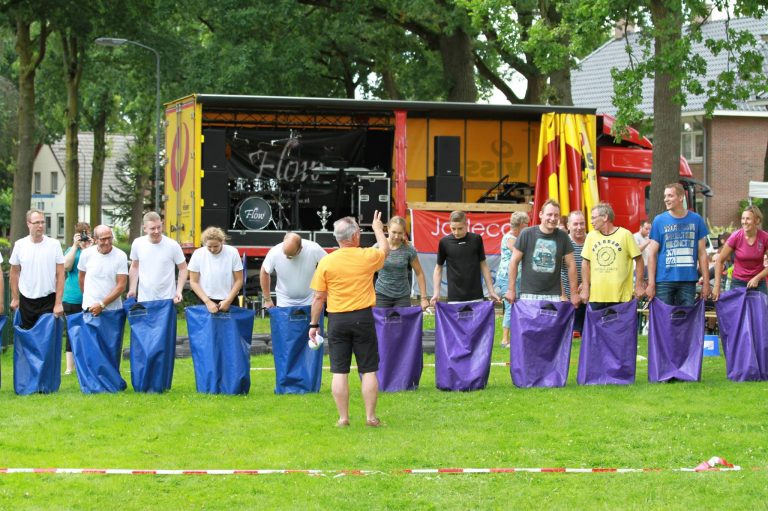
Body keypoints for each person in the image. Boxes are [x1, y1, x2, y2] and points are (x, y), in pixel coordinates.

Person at [309, 212, 389, 428]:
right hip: (362, 317)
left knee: (339, 370)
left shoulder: (326, 262)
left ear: (337, 238)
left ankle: (343, 418)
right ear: (355, 237)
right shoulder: (366, 256)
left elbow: (318, 298)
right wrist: (378, 229)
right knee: (368, 369)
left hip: (336, 320)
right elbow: (385, 249)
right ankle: (371, 417)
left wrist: (313, 325)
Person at [505, 199, 580, 307]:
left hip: (554, 295)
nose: (553, 218)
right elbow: (514, 262)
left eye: (556, 215)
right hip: (529, 294)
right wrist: (511, 289)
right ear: (541, 214)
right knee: (529, 324)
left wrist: (574, 293)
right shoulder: (526, 233)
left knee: (553, 325)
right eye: (549, 214)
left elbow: (571, 264)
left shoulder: (563, 236)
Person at [646, 183, 709, 306]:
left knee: (685, 321)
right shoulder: (659, 220)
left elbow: (702, 254)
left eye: (670, 196)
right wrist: (651, 283)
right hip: (663, 281)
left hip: (688, 280)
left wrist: (706, 283)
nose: (666, 199)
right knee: (664, 320)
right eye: (665, 196)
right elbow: (651, 254)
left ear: (681, 197)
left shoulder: (696, 220)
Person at [580, 202, 644, 308]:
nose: (591, 222)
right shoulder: (591, 236)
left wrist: (638, 285)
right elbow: (585, 263)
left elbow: (639, 260)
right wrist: (585, 288)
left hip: (621, 298)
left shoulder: (625, 234)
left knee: (622, 325)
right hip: (596, 297)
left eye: (593, 218)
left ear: (605, 217)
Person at [9, 209, 65, 329]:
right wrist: (15, 298)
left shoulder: (54, 244)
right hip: (26, 300)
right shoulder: (20, 245)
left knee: (46, 340)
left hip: (49, 299)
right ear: (28, 223)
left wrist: (58, 303)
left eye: (42, 222)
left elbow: (60, 274)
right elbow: (14, 273)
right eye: (36, 222)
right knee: (28, 339)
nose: (40, 226)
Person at [430, 210, 500, 305]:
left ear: (466, 225)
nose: (456, 232)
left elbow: (484, 265)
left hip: (476, 295)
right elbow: (438, 268)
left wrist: (491, 291)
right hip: (454, 297)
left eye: (460, 228)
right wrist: (436, 293)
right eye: (453, 228)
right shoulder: (444, 242)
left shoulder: (476, 239)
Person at [128, 211, 187, 303]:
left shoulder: (172, 245)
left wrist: (178, 291)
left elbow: (183, 268)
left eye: (159, 227)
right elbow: (134, 267)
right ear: (145, 229)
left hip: (167, 299)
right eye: (152, 228)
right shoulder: (137, 243)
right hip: (144, 299)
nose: (157, 231)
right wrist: (132, 289)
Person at [713, 206, 768, 300]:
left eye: (748, 219)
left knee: (761, 313)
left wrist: (757, 277)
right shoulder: (735, 236)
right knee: (738, 314)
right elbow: (719, 261)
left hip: (759, 283)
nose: (744, 222)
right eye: (743, 218)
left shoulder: (765, 237)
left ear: (757, 220)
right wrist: (716, 286)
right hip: (738, 282)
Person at [374, 216, 429, 309]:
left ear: (404, 232)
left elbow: (419, 273)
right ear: (388, 229)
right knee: (382, 323)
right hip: (381, 295)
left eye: (400, 233)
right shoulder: (377, 247)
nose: (396, 236)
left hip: (402, 296)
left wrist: (423, 298)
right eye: (394, 232)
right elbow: (368, 272)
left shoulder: (409, 249)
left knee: (403, 323)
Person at [260, 232, 326, 308]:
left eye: (291, 255)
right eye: (285, 254)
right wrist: (267, 299)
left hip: (311, 300)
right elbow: (264, 272)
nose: (288, 257)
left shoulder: (314, 248)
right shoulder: (275, 251)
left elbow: (329, 267)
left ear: (301, 248)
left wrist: (324, 292)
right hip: (284, 301)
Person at [494, 211, 529, 347]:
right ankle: (504, 340)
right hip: (506, 278)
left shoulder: (516, 237)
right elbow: (520, 253)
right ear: (520, 225)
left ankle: (514, 337)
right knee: (510, 307)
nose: (527, 226)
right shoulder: (511, 239)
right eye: (526, 224)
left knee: (514, 307)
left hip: (515, 278)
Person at [189, 227, 243, 313]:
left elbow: (239, 280)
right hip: (205, 300)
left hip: (230, 299)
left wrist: (228, 301)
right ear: (204, 243)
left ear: (222, 242)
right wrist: (207, 301)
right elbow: (193, 282)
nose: (212, 249)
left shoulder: (232, 252)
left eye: (216, 246)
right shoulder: (198, 254)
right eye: (209, 246)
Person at [62, 222, 92, 374]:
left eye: (87, 233)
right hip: (72, 297)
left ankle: (87, 363)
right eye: (82, 233)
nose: (85, 236)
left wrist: (89, 248)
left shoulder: (93, 250)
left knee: (89, 331)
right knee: (71, 330)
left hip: (90, 297)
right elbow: (66, 266)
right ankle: (69, 367)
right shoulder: (71, 250)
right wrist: (75, 246)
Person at [78, 225, 128, 313]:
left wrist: (102, 304)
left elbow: (121, 286)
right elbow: (81, 277)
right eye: (103, 239)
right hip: (90, 308)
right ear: (95, 239)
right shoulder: (86, 254)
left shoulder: (121, 256)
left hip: (113, 311)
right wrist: (87, 298)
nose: (107, 242)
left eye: (110, 238)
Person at [561, 211, 587, 334]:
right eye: (575, 224)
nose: (579, 227)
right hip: (567, 295)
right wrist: (563, 295)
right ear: (568, 226)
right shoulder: (563, 242)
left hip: (588, 293)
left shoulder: (592, 241)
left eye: (582, 224)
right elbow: (557, 271)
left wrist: (588, 284)